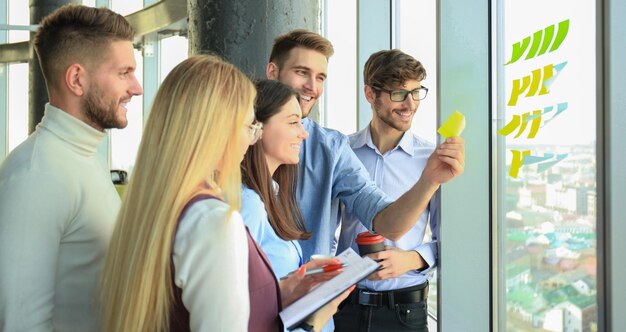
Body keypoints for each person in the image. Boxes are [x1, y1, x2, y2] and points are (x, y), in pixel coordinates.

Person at [99, 55, 351, 332]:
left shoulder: (152, 207)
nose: (251, 139)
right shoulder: (214, 220)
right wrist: (315, 319)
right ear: (216, 130)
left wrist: (282, 293)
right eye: (249, 126)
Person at [0, 5, 142, 331]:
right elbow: (21, 325)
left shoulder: (83, 158)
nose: (137, 88)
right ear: (77, 79)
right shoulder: (35, 178)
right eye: (124, 73)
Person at [265, 30, 465, 261]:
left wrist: (429, 181)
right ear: (273, 72)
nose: (312, 86)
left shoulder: (333, 148)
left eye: (320, 77)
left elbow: (386, 222)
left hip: (308, 294)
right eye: (302, 72)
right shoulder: (234, 136)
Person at [334, 49, 437, 332]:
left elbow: (450, 243)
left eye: (416, 92)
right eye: (398, 94)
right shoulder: (342, 152)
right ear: (370, 94)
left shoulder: (432, 160)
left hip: (405, 312)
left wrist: (411, 259)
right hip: (344, 305)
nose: (410, 104)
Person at [241, 79, 311, 280]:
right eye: (293, 122)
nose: (303, 133)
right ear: (257, 128)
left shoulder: (271, 194)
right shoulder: (248, 202)